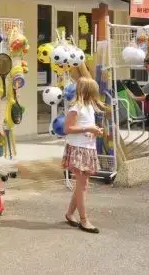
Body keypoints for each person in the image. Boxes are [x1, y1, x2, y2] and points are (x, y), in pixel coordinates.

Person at [62, 76, 105, 234]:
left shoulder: (89, 107)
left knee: (82, 185)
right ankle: (84, 219)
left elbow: (85, 126)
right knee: (82, 185)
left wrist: (95, 130)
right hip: (78, 148)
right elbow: (67, 129)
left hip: (87, 147)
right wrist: (89, 129)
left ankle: (70, 214)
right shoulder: (76, 108)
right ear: (89, 92)